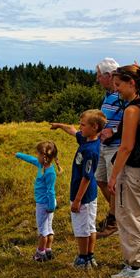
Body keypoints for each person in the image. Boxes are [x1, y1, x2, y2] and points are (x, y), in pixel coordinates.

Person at [107, 65, 140, 278]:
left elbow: (126, 146)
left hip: (135, 169)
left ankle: (134, 266)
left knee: (129, 216)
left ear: (131, 83)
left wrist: (113, 175)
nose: (116, 89)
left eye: (118, 85)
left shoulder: (131, 110)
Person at [51, 109, 106, 269]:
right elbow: (73, 131)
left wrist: (77, 200)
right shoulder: (87, 140)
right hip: (89, 195)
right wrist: (59, 125)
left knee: (82, 228)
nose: (79, 127)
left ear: (94, 127)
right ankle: (89, 257)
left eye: (83, 125)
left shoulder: (91, 150)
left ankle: (82, 259)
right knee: (90, 226)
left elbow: (87, 177)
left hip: (83, 195)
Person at [94, 58, 125, 238]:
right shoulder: (108, 94)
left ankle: (114, 221)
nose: (97, 79)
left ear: (109, 75)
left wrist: (113, 131)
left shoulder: (122, 96)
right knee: (100, 180)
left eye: (99, 76)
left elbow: (129, 120)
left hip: (115, 147)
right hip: (102, 146)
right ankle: (118, 214)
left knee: (113, 185)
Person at [15, 141, 59, 262]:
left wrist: (50, 207)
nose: (36, 157)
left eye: (38, 154)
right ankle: (48, 251)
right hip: (47, 203)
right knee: (48, 228)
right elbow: (31, 159)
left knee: (43, 231)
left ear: (44, 157)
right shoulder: (42, 165)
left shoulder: (50, 173)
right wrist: (19, 154)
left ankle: (40, 254)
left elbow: (51, 191)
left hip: (45, 204)